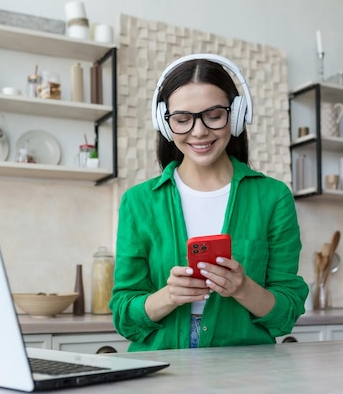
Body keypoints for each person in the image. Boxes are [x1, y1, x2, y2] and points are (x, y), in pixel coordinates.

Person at [109, 53, 308, 351]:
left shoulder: (273, 197)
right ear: (165, 125)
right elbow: (124, 316)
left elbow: (286, 315)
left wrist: (242, 288)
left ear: (237, 115)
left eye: (214, 115)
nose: (199, 131)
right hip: (164, 365)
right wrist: (169, 296)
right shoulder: (138, 202)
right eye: (182, 119)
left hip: (245, 367)